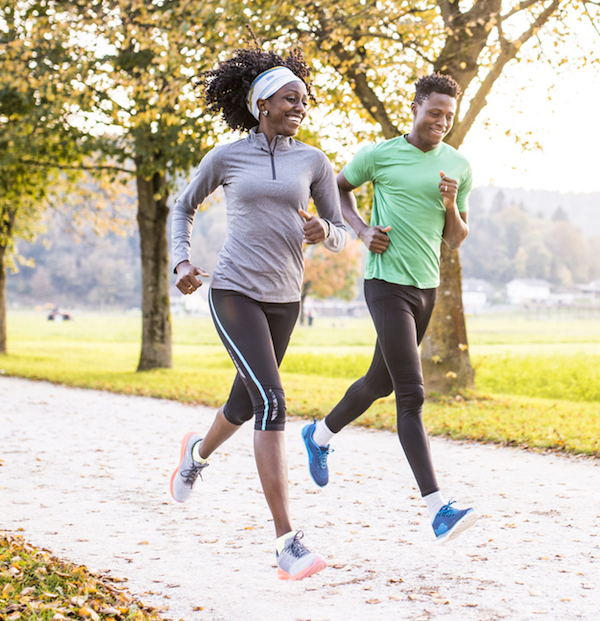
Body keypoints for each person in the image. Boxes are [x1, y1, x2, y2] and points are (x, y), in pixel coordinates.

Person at [168, 47, 347, 581]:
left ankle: (195, 453)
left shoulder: (313, 160)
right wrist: (180, 259)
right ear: (262, 102)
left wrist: (324, 232)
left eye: (305, 100)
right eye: (291, 98)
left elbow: (338, 233)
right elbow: (183, 205)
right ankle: (286, 543)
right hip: (233, 290)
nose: (301, 106)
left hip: (285, 297)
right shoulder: (226, 158)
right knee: (272, 400)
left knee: (245, 402)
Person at [300, 73, 476, 543]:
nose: (441, 122)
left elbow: (455, 240)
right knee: (411, 394)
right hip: (385, 283)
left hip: (426, 288)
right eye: (434, 112)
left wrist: (452, 204)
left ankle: (319, 435)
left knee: (379, 381)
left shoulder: (458, 166)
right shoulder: (379, 154)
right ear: (415, 107)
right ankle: (439, 509)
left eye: (448, 116)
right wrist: (359, 229)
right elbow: (337, 187)